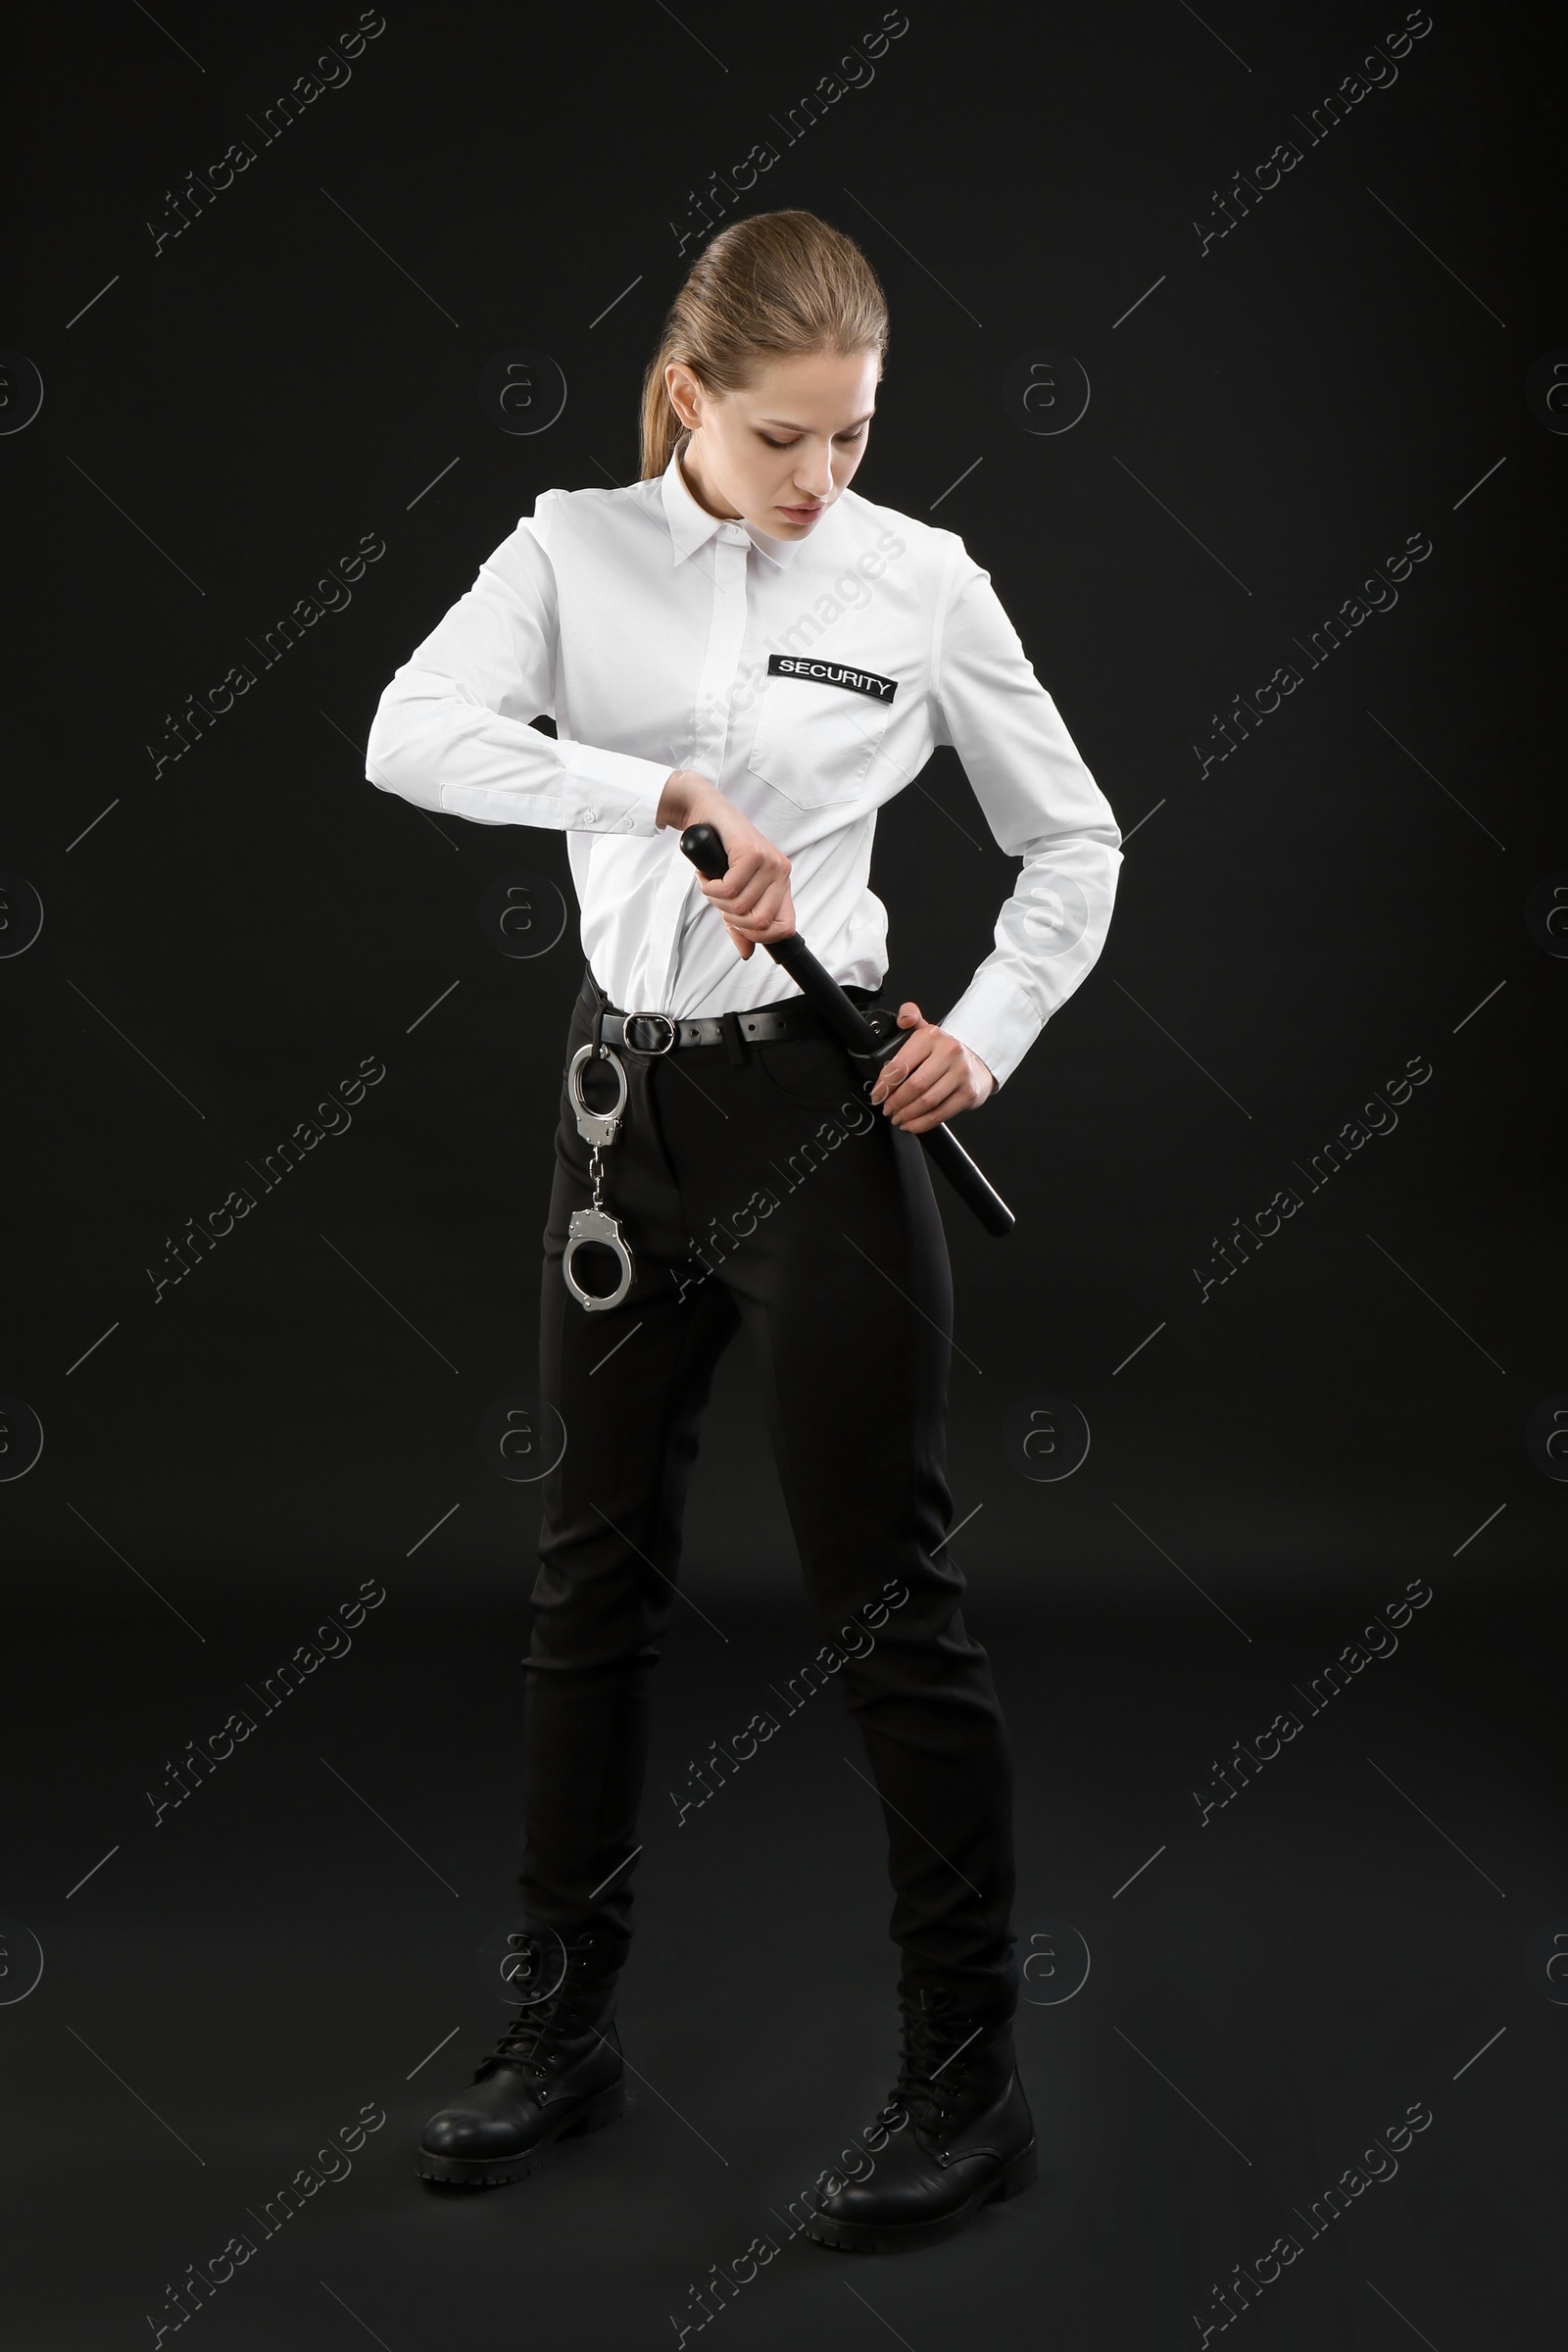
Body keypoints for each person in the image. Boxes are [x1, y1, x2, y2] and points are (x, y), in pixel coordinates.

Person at [365, 209, 1120, 2253]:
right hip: (619, 1126)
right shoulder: (564, 550)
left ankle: (968, 2084)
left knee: (886, 1602)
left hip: (821, 1114)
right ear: (689, 400)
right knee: (580, 1592)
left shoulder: (917, 582)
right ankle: (560, 2034)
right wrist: (664, 799)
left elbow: (1072, 840)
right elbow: (406, 736)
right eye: (783, 438)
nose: (818, 483)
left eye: (852, 438)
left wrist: (983, 1032)